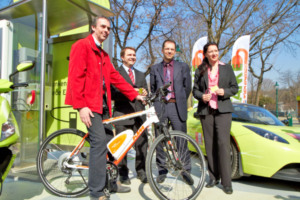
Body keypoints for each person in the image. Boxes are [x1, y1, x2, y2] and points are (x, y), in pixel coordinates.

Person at [65, 16, 145, 200]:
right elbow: (75, 77)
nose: (106, 30)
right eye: (103, 26)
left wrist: (135, 94)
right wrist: (81, 106)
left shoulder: (104, 55)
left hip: (104, 106)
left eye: (108, 28)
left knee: (111, 145)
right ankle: (97, 192)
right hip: (89, 106)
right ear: (93, 27)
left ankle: (110, 182)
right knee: (99, 143)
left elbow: (117, 78)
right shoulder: (81, 46)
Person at [192, 42, 238, 195]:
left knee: (223, 145)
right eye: (210, 51)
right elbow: (195, 90)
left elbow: (234, 88)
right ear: (205, 54)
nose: (213, 53)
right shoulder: (200, 70)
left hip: (223, 111)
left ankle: (226, 182)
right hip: (206, 111)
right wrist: (201, 96)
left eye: (215, 51)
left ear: (218, 52)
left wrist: (224, 91)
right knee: (210, 145)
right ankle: (213, 177)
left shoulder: (227, 68)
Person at [150, 39, 193, 184]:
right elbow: (153, 88)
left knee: (181, 139)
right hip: (161, 106)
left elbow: (187, 87)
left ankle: (185, 170)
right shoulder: (155, 68)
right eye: (167, 49)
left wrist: (179, 100)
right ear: (162, 50)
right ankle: (162, 170)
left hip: (176, 107)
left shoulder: (183, 67)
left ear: (175, 51)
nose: (169, 51)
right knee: (160, 139)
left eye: (172, 49)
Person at [111, 47, 148, 185]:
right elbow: (114, 93)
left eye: (134, 55)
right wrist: (131, 92)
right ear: (122, 57)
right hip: (123, 113)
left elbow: (146, 94)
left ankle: (141, 171)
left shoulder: (141, 74)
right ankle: (123, 173)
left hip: (139, 114)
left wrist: (144, 93)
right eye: (129, 55)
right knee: (122, 147)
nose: (132, 57)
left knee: (142, 145)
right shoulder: (116, 73)